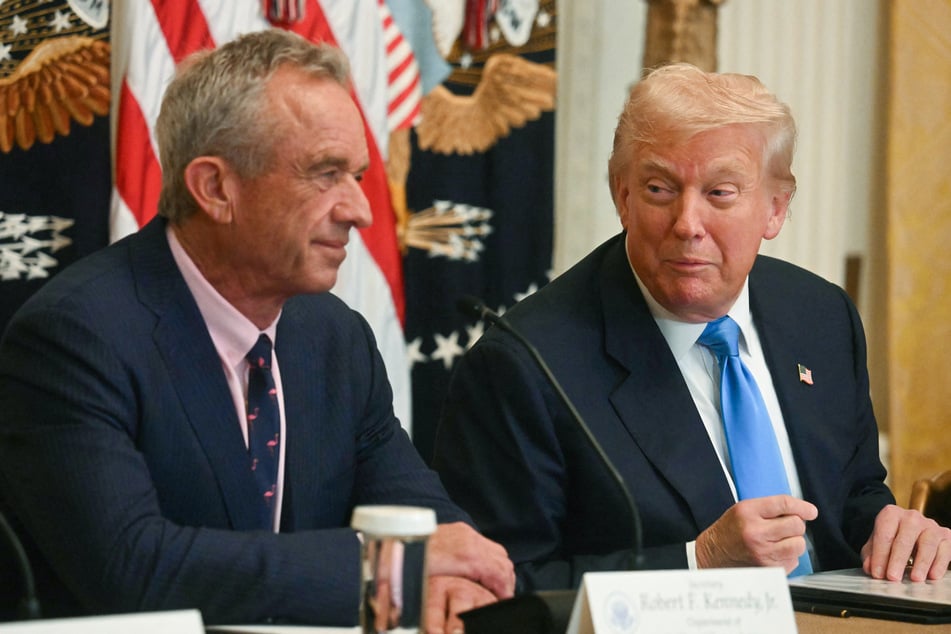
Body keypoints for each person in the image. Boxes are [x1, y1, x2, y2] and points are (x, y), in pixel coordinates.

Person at [0, 29, 514, 630]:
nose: (361, 210)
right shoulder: (76, 337)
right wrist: (387, 572)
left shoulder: (335, 338)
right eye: (325, 174)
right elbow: (133, 567)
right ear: (216, 188)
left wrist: (455, 575)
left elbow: (412, 508)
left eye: (356, 174)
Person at [432, 62, 951, 592]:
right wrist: (696, 563)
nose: (687, 224)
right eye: (660, 188)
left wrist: (894, 532)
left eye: (720, 193)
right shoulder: (524, 366)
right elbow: (500, 590)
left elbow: (855, 492)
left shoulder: (821, 316)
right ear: (623, 196)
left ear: (775, 208)